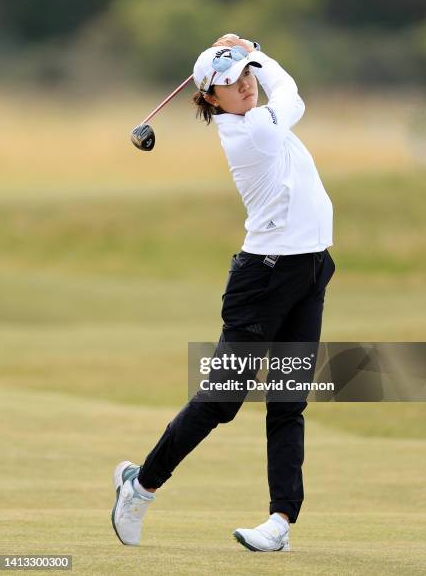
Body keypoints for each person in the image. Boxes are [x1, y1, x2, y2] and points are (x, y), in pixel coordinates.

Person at [111, 33, 335, 552]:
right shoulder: (251, 132)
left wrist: (247, 53)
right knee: (221, 400)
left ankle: (280, 522)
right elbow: (294, 95)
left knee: (288, 402)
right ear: (211, 98)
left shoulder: (259, 116)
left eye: (248, 76)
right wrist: (255, 49)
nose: (247, 87)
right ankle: (140, 487)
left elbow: (279, 91)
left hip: (309, 271)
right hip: (265, 279)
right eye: (232, 84)